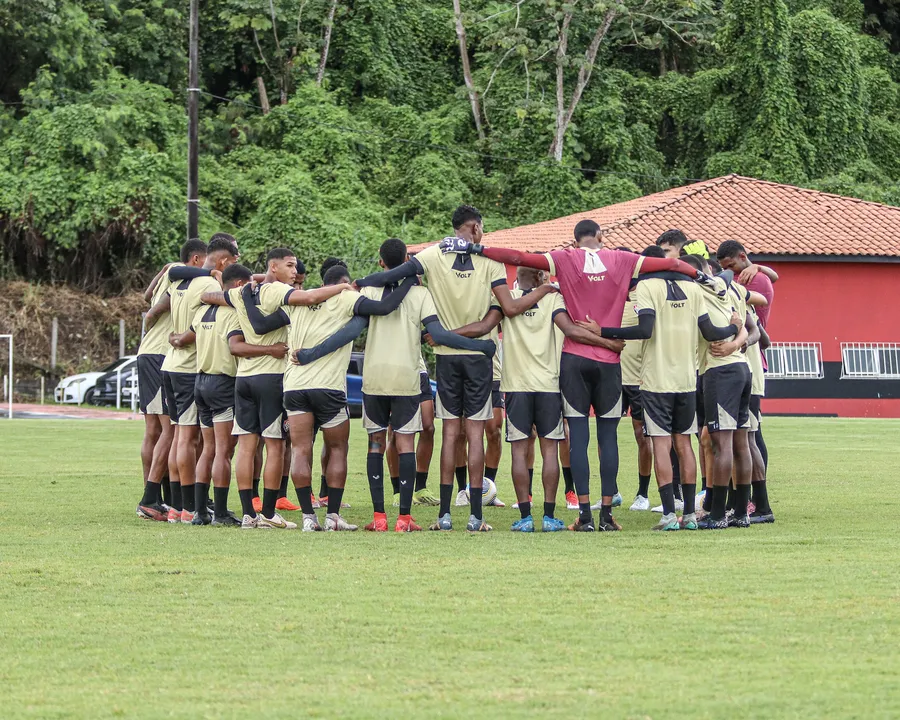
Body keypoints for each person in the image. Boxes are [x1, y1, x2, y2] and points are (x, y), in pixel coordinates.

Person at [442, 218, 712, 531]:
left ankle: (583, 516)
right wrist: (698, 275)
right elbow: (670, 264)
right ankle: (607, 516)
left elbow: (519, 257)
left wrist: (475, 247)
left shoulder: (564, 258)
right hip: (609, 362)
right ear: (601, 236)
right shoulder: (623, 259)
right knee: (607, 438)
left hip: (573, 362)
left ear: (575, 241)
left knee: (578, 439)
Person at [355, 205, 549, 532]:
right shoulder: (491, 261)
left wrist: (357, 282)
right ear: (474, 227)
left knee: (450, 435)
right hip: (478, 361)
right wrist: (546, 288)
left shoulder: (432, 255)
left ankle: (444, 515)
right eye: (482, 229)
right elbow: (510, 307)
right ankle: (475, 516)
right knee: (475, 435)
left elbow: (394, 274)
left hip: (445, 356)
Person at [300, 239, 496, 531]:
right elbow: (439, 336)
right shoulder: (420, 294)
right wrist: (480, 346)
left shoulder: (367, 291)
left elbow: (350, 331)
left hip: (374, 378)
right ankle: (404, 518)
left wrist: (311, 353)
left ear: (381, 263)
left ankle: (379, 519)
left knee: (376, 445)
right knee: (405, 444)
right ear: (407, 260)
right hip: (405, 378)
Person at [246, 264, 416, 531]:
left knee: (301, 449)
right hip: (329, 388)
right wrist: (409, 282)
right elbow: (385, 308)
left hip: (294, 385)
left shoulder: (297, 299)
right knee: (338, 448)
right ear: (344, 283)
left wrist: (249, 289)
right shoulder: (346, 297)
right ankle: (332, 515)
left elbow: (261, 324)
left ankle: (307, 518)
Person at [201, 248, 351, 529]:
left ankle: (248, 513)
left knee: (246, 446)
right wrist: (342, 287)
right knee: (274, 447)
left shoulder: (241, 292)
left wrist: (253, 280)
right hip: (271, 377)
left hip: (243, 378)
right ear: (275, 266)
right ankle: (268, 513)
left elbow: (208, 295)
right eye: (290, 266)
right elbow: (309, 297)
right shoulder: (278, 290)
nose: (295, 272)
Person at [593, 258, 742, 530]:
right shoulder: (694, 289)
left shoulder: (648, 286)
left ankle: (669, 516)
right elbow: (710, 332)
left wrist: (602, 331)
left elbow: (644, 329)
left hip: (656, 381)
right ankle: (689, 515)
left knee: (661, 444)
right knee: (684, 444)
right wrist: (734, 328)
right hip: (687, 379)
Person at [160, 236, 239, 523]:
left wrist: (177, 337)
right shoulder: (208, 284)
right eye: (234, 261)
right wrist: (184, 338)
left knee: (181, 436)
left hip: (171, 363)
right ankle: (189, 508)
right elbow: (206, 321)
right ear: (223, 262)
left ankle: (177, 506)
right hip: (192, 366)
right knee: (189, 440)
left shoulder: (181, 280)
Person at [135, 260, 180, 521]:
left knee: (155, 429)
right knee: (169, 428)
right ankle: (151, 499)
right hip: (160, 356)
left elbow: (146, 296)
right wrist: (152, 329)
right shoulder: (189, 277)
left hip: (150, 355)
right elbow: (151, 311)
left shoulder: (172, 270)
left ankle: (156, 499)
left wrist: (161, 270)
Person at [620, 247, 660, 513]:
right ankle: (610, 493)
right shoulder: (607, 296)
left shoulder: (643, 295)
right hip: (611, 377)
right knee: (604, 435)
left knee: (642, 435)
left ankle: (643, 494)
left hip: (639, 380)